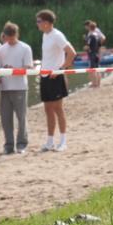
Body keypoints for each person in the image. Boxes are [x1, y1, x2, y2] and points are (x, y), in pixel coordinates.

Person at [36, 10, 76, 151]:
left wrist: (59, 69)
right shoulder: (45, 35)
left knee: (58, 108)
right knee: (48, 109)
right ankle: (50, 141)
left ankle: (63, 141)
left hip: (56, 76)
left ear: (46, 23)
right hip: (45, 76)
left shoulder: (57, 35)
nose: (37, 24)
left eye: (39, 21)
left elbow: (71, 53)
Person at [0, 22, 33, 155]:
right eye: (8, 37)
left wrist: (14, 70)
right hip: (5, 88)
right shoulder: (1, 50)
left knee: (21, 117)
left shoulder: (25, 48)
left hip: (20, 86)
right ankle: (8, 145)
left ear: (17, 35)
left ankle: (21, 144)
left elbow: (28, 67)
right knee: (6, 118)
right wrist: (1, 73)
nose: (10, 40)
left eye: (12, 37)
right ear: (4, 36)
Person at [84, 20, 103, 88]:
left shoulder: (91, 36)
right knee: (97, 69)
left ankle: (94, 84)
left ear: (89, 27)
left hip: (92, 54)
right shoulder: (97, 36)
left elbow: (87, 46)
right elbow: (100, 45)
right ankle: (98, 84)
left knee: (92, 70)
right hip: (97, 54)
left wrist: (85, 47)